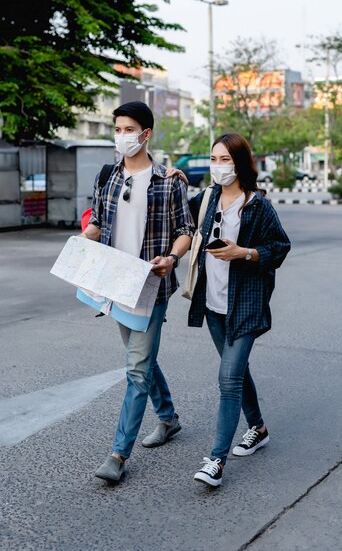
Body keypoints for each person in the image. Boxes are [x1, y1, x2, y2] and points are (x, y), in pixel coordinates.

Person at [82, 101, 194, 483]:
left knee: (136, 369)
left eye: (128, 129)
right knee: (141, 359)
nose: (121, 136)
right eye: (117, 129)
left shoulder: (169, 181)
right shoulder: (107, 176)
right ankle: (168, 418)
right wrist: (82, 241)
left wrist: (172, 258)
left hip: (151, 285)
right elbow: (97, 221)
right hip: (116, 283)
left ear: (145, 134)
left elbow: (186, 230)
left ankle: (117, 455)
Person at [173, 132, 290, 487]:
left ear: (240, 163)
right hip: (213, 304)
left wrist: (246, 253)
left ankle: (216, 461)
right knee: (236, 371)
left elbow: (280, 247)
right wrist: (174, 179)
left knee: (227, 379)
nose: (218, 166)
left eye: (226, 159)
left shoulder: (257, 206)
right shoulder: (205, 199)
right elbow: (178, 216)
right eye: (214, 159)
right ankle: (258, 427)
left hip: (247, 303)